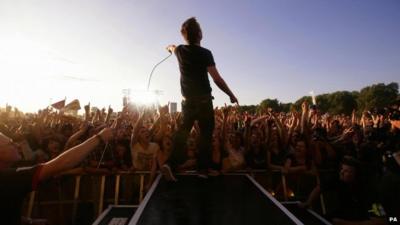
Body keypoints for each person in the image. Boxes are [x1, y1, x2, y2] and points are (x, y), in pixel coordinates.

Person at [162, 17, 238, 181]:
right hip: (204, 101)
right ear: (200, 35)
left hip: (187, 102)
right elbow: (217, 79)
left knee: (182, 134)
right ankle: (202, 170)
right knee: (205, 135)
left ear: (184, 36)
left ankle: (169, 164)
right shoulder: (205, 53)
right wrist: (231, 94)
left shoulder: (180, 50)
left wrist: (168, 48)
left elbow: (171, 47)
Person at [0, 128, 113, 225]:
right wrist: (99, 138)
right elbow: (61, 164)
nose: (17, 144)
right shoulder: (6, 177)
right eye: (10, 143)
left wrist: (29, 221)